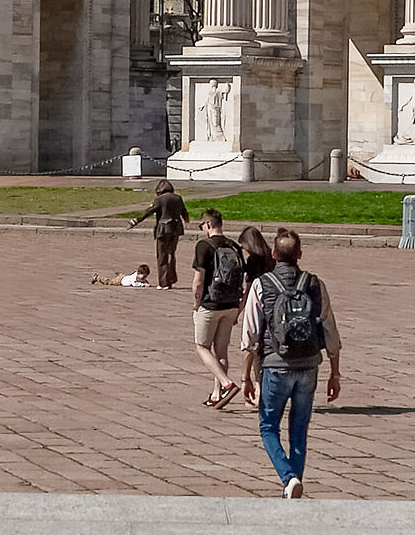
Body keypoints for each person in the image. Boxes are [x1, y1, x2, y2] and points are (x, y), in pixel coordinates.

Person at [239, 229, 341, 499]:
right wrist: (335, 373)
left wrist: (246, 377)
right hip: (309, 364)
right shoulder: (315, 284)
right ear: (300, 255)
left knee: (268, 426)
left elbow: (250, 335)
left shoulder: (262, 284)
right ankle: (294, 480)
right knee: (299, 428)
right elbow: (330, 329)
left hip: (275, 364)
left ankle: (288, 477)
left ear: (273, 255)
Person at [189, 208, 248, 408]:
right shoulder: (234, 246)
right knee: (221, 351)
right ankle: (216, 394)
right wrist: (239, 308)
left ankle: (226, 384)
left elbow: (198, 281)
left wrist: (196, 305)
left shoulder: (204, 246)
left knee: (202, 346)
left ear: (207, 225)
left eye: (202, 226)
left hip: (210, 303)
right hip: (231, 304)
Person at [128, 179, 189, 289]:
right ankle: (171, 279)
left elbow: (149, 212)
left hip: (163, 229)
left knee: (162, 255)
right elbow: (184, 212)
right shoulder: (177, 198)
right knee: (171, 254)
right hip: (176, 229)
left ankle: (163, 282)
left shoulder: (159, 199)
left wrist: (136, 221)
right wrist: (186, 219)